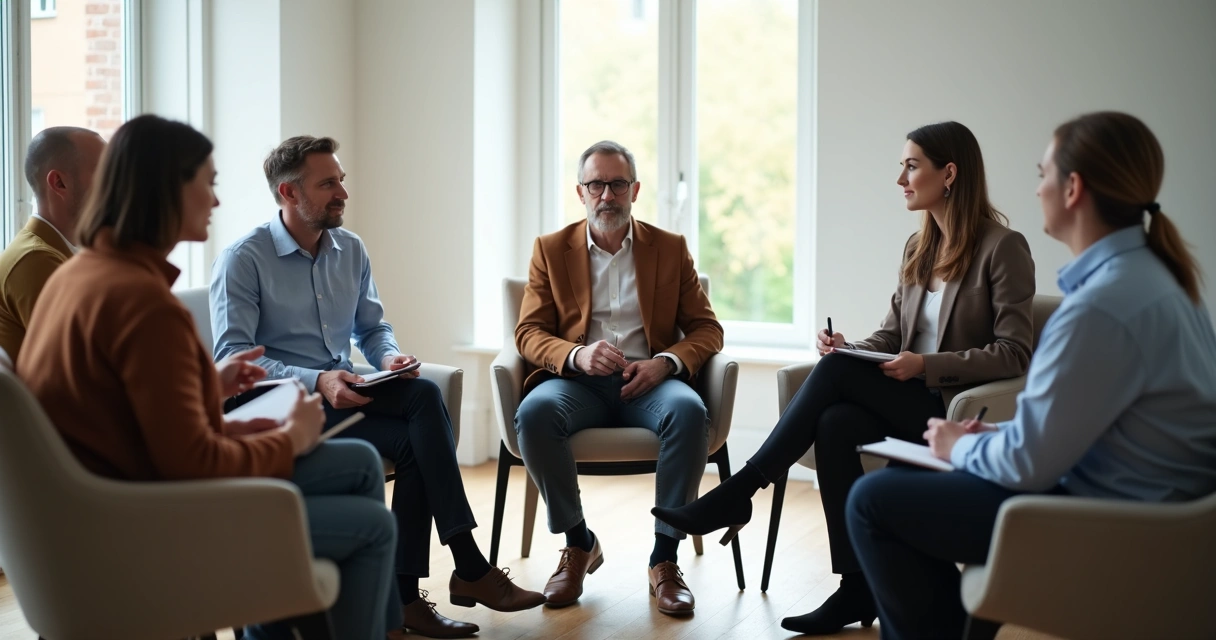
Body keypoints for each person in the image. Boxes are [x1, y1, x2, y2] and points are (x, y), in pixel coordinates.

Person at [17, 115, 402, 640]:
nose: (216, 203)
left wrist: (204, 392)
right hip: (145, 524)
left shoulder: (83, 277)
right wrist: (287, 439)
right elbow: (189, 463)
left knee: (358, 461)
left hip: (115, 500)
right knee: (374, 526)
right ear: (166, 193)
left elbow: (122, 414)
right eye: (209, 185)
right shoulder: (144, 303)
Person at [652, 122, 1036, 633]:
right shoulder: (918, 248)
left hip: (952, 412)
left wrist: (927, 366)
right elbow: (893, 335)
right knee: (834, 422)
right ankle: (856, 589)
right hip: (904, 396)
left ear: (949, 174)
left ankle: (739, 491)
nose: (900, 178)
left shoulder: (1002, 247)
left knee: (835, 385)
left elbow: (1014, 354)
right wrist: (851, 350)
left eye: (911, 165)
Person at [846, 111, 1216, 639]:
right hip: (1150, 512)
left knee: (873, 500)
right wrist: (991, 434)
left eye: (1042, 173)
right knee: (900, 482)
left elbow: (1028, 463)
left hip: (1108, 524)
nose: (1036, 187)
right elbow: (1082, 424)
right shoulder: (1163, 284)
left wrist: (958, 446)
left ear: (1073, 189)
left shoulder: (1100, 309)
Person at [211, 135, 545, 638]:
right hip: (285, 409)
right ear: (288, 192)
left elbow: (371, 328)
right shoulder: (244, 258)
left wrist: (388, 356)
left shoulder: (351, 249)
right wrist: (317, 380)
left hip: (346, 392)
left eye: (341, 179)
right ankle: (449, 577)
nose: (342, 191)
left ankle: (427, 590)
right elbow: (232, 360)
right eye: (328, 183)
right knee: (417, 437)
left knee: (423, 394)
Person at [513, 140, 723, 615]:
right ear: (580, 192)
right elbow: (528, 332)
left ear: (635, 189)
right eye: (596, 184)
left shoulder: (669, 249)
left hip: (649, 382)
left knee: (689, 411)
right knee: (535, 412)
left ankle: (664, 560)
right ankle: (578, 542)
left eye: (617, 184)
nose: (607, 194)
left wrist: (665, 363)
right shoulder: (550, 249)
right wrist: (576, 355)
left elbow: (708, 329)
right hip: (576, 384)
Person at [0, 126, 105, 361]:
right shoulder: (35, 260)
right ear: (59, 183)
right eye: (105, 172)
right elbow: (82, 369)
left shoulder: (66, 252)